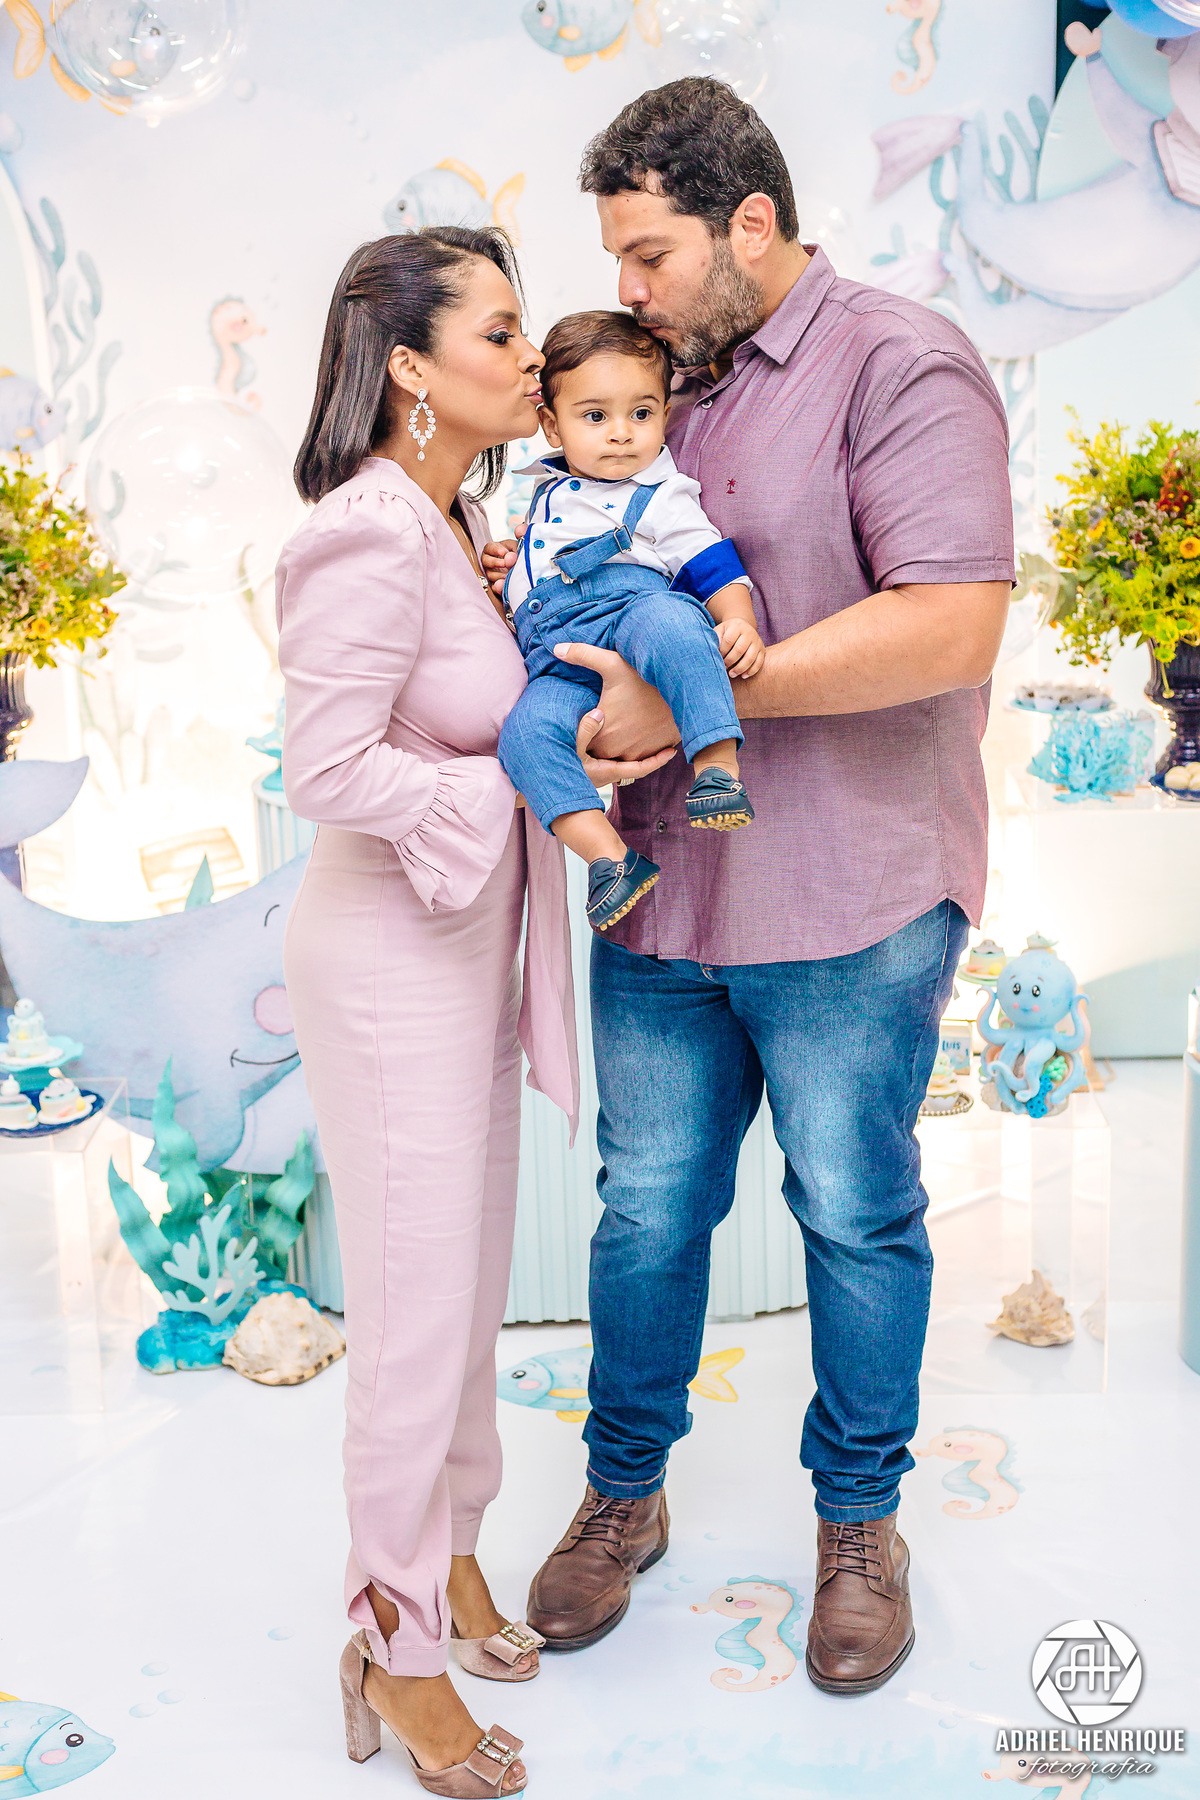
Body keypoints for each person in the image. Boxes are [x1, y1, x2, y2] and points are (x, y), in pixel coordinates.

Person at [484, 78, 1015, 1694]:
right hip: (661, 898)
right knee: (645, 1210)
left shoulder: (900, 364)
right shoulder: (650, 380)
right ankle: (623, 1492)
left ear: (753, 224)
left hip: (847, 897)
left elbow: (953, 621)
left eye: (649, 254)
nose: (625, 288)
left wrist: (707, 695)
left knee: (853, 1214)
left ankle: (859, 1526)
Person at [277, 227, 671, 1795]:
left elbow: (496, 717)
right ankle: (393, 1643)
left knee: (461, 1299)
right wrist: (494, 792)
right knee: (414, 1324)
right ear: (409, 368)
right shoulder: (365, 532)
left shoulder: (456, 526)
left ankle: (446, 1562)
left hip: (457, 960)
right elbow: (326, 766)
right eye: (501, 333)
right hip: (389, 965)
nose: (535, 357)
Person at [495, 309, 764, 933]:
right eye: (595, 417)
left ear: (664, 414)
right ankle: (609, 858)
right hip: (555, 660)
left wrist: (739, 621)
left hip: (629, 615)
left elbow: (709, 559)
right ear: (551, 425)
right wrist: (509, 567)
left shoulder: (661, 492)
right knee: (523, 737)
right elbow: (540, 569)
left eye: (641, 414)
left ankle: (716, 766)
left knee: (672, 624)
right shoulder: (546, 492)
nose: (621, 434)